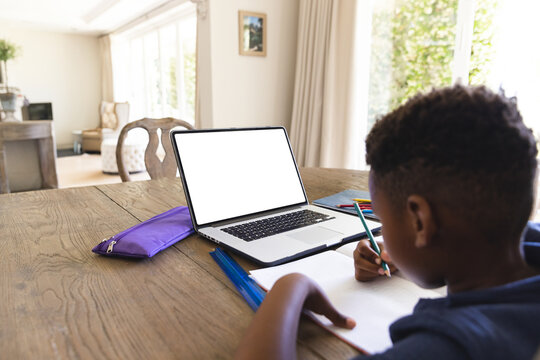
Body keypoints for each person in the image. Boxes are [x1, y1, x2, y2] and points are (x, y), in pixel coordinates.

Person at [234, 85, 540, 360]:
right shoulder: (519, 244)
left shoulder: (450, 347)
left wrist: (289, 287)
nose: (383, 235)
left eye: (381, 219)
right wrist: (408, 252)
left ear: (421, 223)